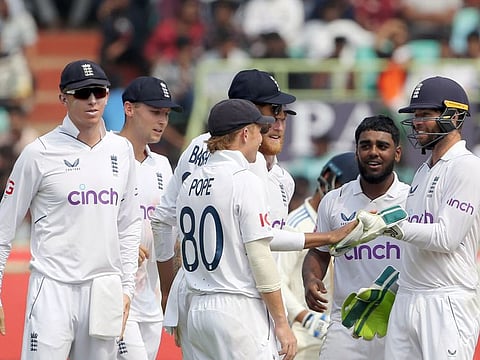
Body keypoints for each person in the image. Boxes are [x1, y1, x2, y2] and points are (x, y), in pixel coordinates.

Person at [151, 68, 357, 358]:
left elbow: (163, 221)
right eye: (271, 113)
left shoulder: (203, 157)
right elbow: (260, 251)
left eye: (282, 115)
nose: (277, 123)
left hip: (196, 302)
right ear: (246, 119)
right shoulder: (243, 172)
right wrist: (283, 321)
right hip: (241, 304)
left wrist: (169, 290)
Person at [0, 59, 141, 359]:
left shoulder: (121, 150)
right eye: (82, 93)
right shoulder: (39, 153)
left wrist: (126, 288)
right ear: (63, 97)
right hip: (52, 289)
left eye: (99, 92)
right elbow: (4, 227)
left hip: (103, 289)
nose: (92, 100)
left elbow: (129, 225)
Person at [175, 98, 299, 359]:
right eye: (258, 130)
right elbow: (260, 257)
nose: (261, 137)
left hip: (196, 307)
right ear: (245, 133)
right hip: (237, 308)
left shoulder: (190, 182)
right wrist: (282, 322)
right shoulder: (244, 181)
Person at [383, 76, 480, 359]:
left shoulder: (468, 167)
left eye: (426, 114)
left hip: (446, 300)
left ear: (455, 116)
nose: (417, 121)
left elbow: (446, 238)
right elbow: (414, 242)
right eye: (415, 115)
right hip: (408, 297)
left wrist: (390, 227)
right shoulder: (424, 171)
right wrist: (387, 285)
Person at [302, 114, 410, 359]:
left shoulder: (411, 200)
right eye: (365, 145)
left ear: (397, 153)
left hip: (399, 323)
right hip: (346, 323)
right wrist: (310, 279)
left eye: (382, 146)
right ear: (356, 152)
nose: (373, 152)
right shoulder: (334, 200)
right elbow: (318, 253)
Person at [117, 76, 182, 359]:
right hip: (115, 292)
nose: (162, 121)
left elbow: (170, 230)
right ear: (129, 109)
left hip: (152, 300)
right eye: (155, 112)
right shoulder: (105, 154)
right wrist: (121, 245)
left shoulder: (163, 165)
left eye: (166, 114)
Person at [278, 151, 359, 359]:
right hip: (300, 340)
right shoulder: (295, 225)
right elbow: (275, 282)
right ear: (329, 180)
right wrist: (304, 317)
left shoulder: (345, 224)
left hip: (334, 336)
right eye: (347, 188)